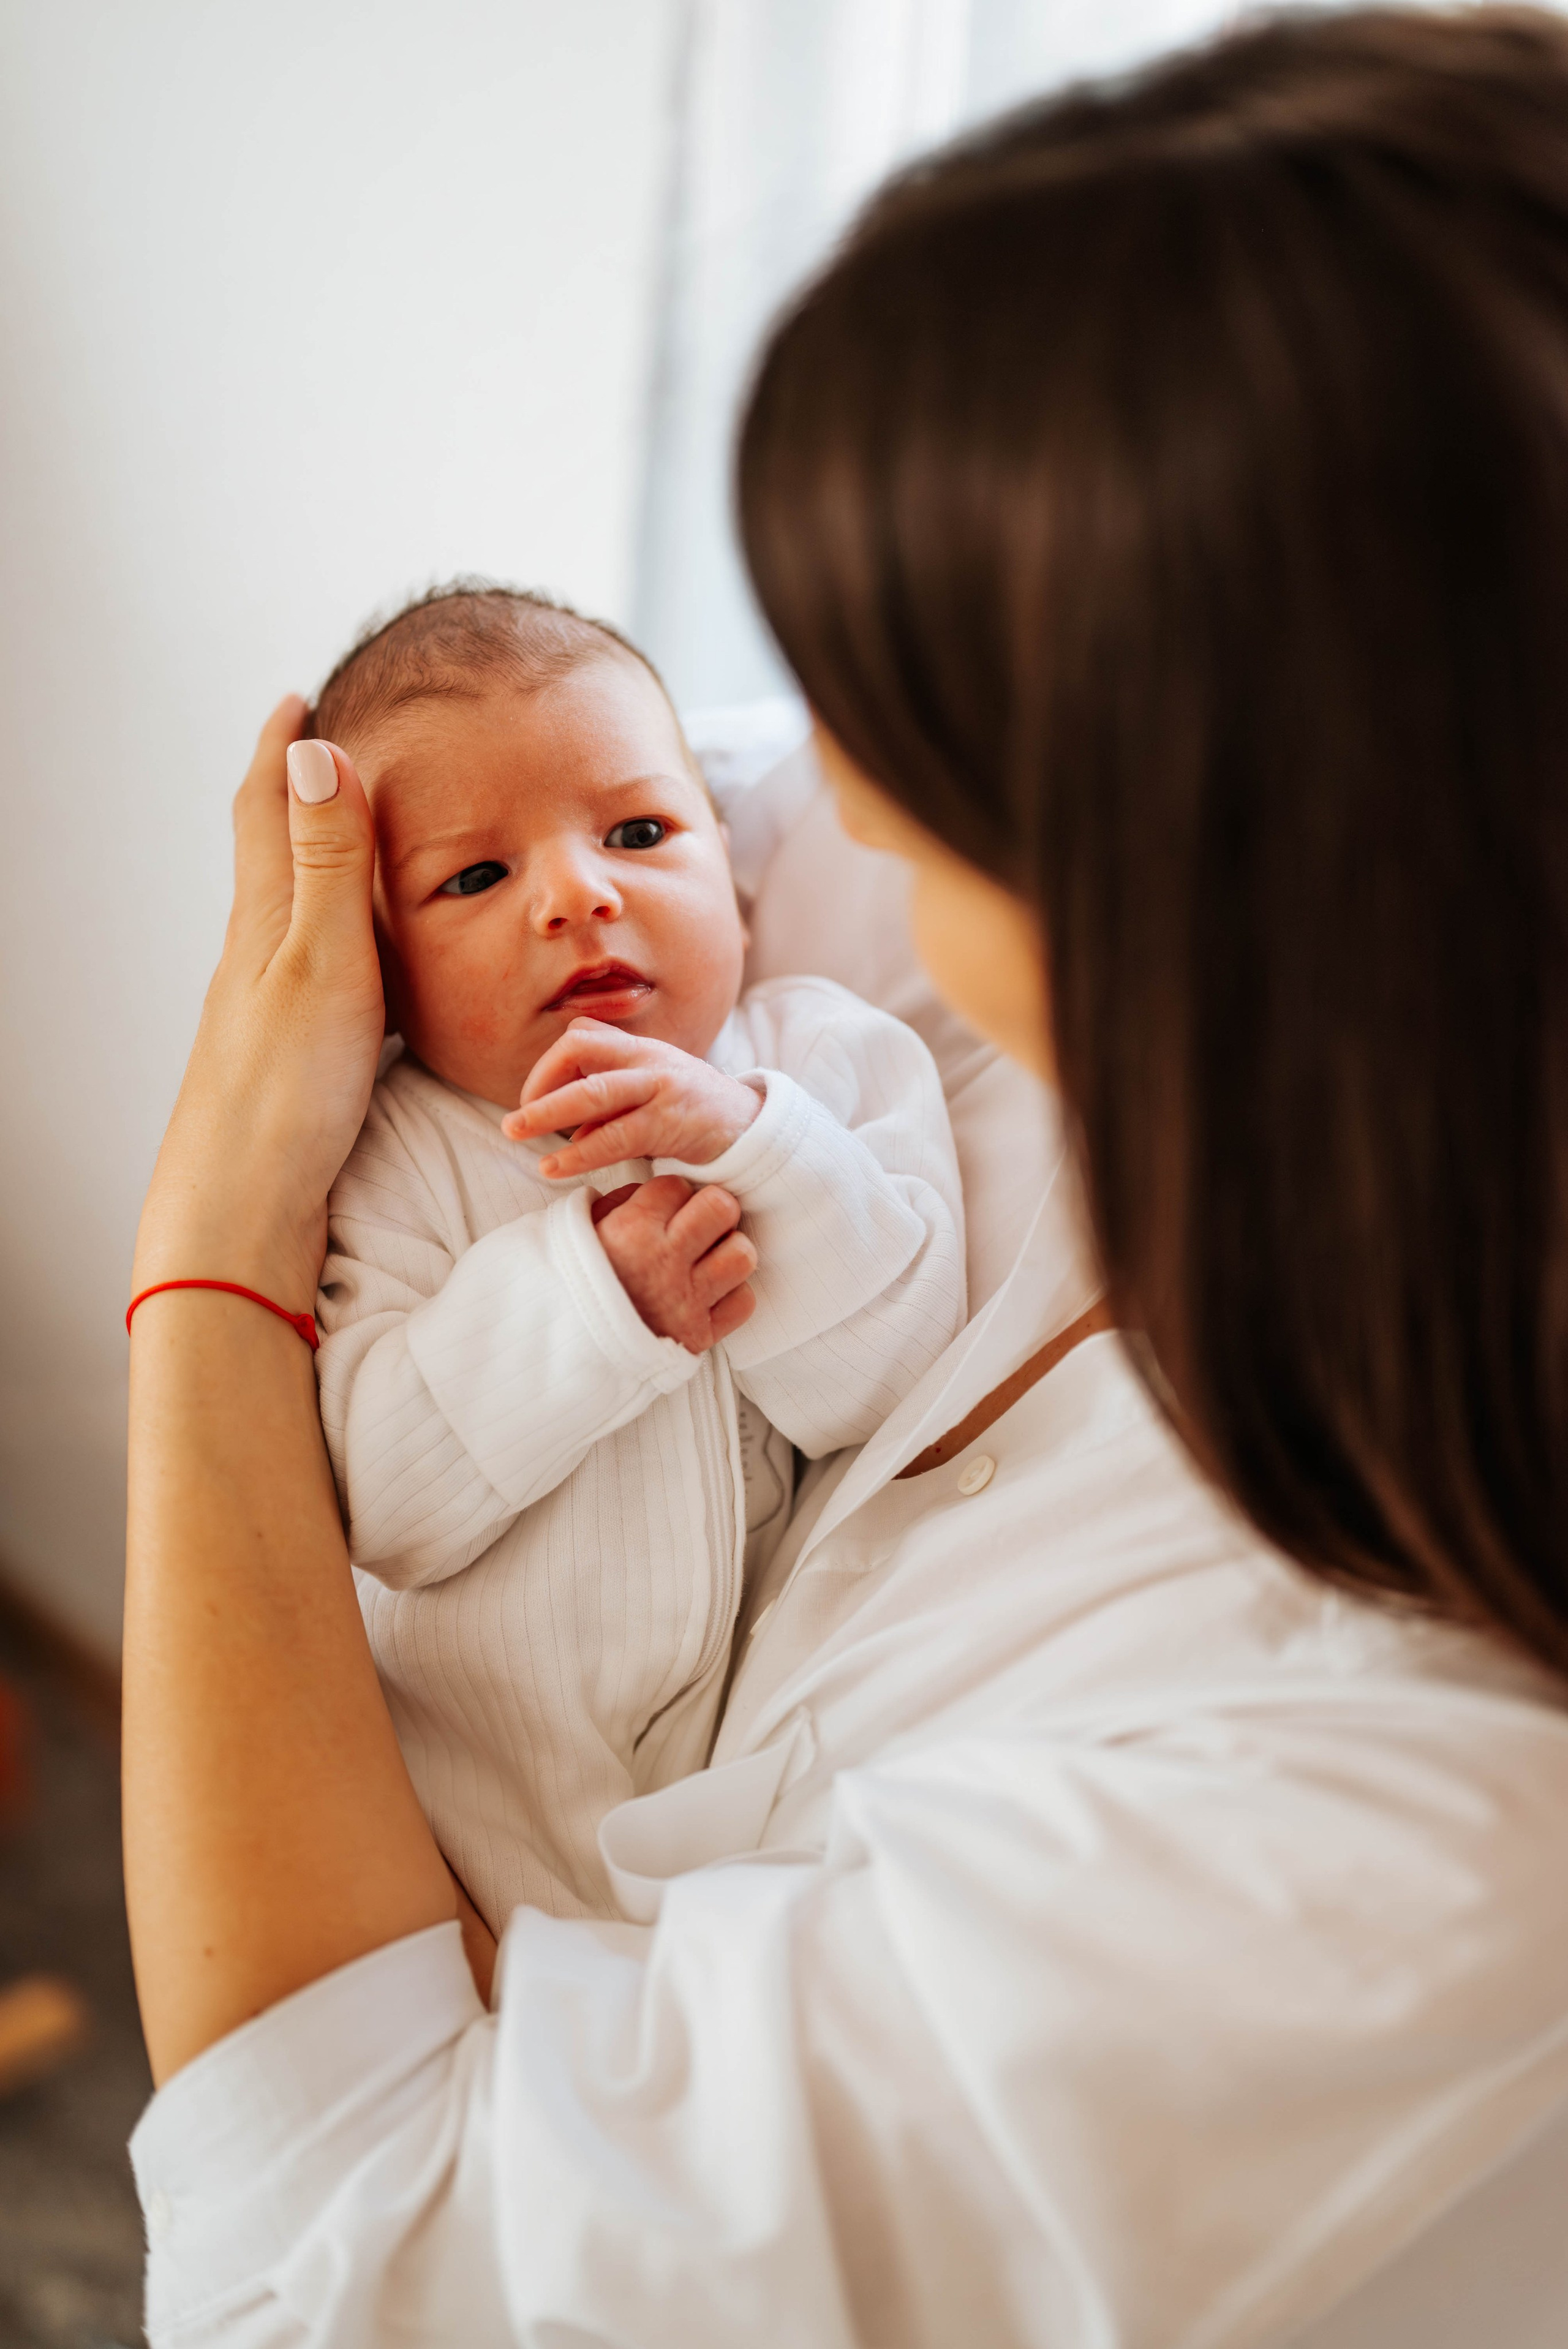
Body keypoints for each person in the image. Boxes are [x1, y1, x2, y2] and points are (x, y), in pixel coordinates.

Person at [121, 11, 1568, 2346]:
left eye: (913, 708)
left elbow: (318, 2281)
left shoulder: (1397, 1814)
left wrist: (205, 1246)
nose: (823, 795)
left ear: (1221, 841)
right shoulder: (974, 936)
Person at [304, 581, 963, 1932]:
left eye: (639, 830)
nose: (577, 893)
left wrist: (757, 1151)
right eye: (476, 876)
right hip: (470, 1800)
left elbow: (896, 1379)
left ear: (726, 862)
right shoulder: (391, 1155)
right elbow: (380, 1503)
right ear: (375, 959)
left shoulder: (817, 1061)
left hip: (756, 1766)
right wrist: (592, 1298)